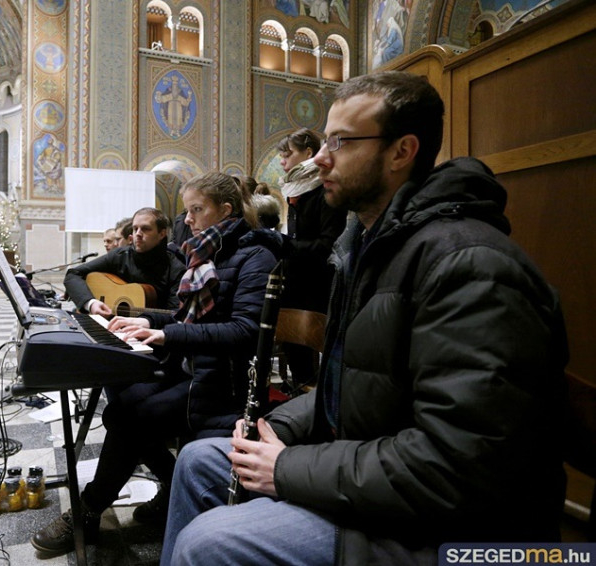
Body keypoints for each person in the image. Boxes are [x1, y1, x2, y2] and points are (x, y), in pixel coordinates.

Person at [161, 71, 568, 566]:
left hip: (455, 529)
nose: (319, 158)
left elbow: (458, 463)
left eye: (340, 142)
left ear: (401, 152)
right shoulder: (369, 248)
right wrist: (277, 429)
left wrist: (287, 468)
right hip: (376, 478)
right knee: (199, 459)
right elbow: (349, 387)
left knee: (210, 542)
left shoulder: (470, 265)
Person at [32, 172, 280, 555]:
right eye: (187, 210)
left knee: (128, 418)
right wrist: (147, 321)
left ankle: (89, 511)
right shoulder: (206, 252)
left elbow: (245, 332)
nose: (188, 219)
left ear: (225, 210)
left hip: (223, 388)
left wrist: (168, 335)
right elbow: (186, 318)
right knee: (121, 409)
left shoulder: (255, 256)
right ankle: (167, 486)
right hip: (195, 372)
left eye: (197, 210)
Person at [275, 128, 347, 390]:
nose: (282, 161)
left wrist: (285, 244)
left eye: (288, 154)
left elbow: (328, 244)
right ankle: (300, 390)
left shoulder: (324, 189)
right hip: (295, 280)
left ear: (308, 153)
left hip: (318, 282)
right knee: (295, 351)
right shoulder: (297, 188)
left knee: (317, 348)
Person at [64, 208, 185, 317]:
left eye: (145, 229)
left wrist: (148, 321)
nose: (138, 234)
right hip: (107, 325)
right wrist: (91, 303)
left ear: (162, 234)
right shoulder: (120, 256)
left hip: (149, 331)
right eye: (135, 229)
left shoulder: (176, 269)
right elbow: (73, 274)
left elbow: (176, 316)